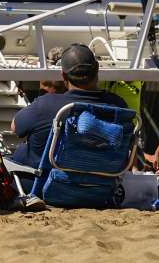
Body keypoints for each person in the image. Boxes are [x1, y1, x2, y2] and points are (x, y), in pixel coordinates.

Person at [10, 44, 127, 181]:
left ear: (63, 76)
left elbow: (14, 128)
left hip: (43, 190)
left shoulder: (45, 105)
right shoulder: (118, 106)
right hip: (100, 190)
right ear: (97, 69)